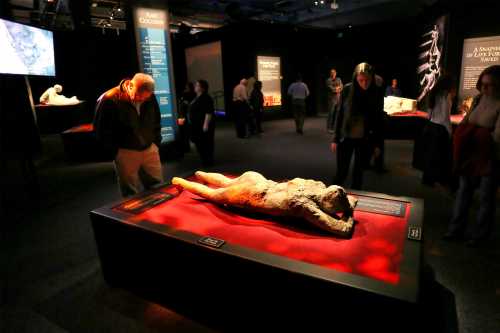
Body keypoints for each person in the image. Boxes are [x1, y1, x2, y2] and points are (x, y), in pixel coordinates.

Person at [444, 65, 500, 247]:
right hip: (470, 153)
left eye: (489, 85)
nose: (484, 88)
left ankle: (480, 236)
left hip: (489, 156)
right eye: (483, 84)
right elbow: (468, 119)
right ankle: (455, 229)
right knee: (463, 192)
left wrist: (480, 135)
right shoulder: (478, 98)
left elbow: (498, 137)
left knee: (486, 197)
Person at [94, 73, 163, 197]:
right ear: (130, 85)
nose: (141, 100)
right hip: (125, 152)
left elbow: (156, 119)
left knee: (158, 187)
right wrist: (116, 153)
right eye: (138, 96)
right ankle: (135, 217)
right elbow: (101, 129)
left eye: (145, 98)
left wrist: (155, 142)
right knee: (131, 194)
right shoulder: (109, 98)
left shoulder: (150, 97)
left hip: (150, 149)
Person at [331, 62, 385, 190]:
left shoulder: (376, 92)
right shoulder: (348, 89)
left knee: (358, 174)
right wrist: (335, 138)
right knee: (341, 173)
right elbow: (340, 114)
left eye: (367, 80)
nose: (364, 84)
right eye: (361, 80)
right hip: (346, 136)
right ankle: (330, 198)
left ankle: (354, 201)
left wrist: (377, 144)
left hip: (365, 139)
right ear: (355, 78)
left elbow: (378, 120)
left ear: (372, 78)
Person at [420, 75, 455, 186]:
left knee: (430, 155)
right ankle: (438, 179)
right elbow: (445, 116)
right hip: (441, 129)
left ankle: (427, 180)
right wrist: (450, 132)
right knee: (439, 157)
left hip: (431, 127)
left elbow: (429, 114)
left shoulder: (433, 93)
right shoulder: (447, 95)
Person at [189, 79, 216, 167]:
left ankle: (208, 161)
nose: (195, 87)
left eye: (197, 85)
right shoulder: (197, 97)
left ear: (202, 88)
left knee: (206, 143)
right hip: (197, 125)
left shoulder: (206, 98)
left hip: (203, 125)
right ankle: (205, 159)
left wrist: (205, 124)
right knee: (200, 142)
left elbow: (209, 112)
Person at [178, 82, 196, 153]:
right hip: (186, 115)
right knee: (186, 131)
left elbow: (182, 103)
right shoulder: (194, 94)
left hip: (183, 115)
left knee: (184, 131)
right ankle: (187, 146)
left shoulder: (184, 94)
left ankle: (186, 147)